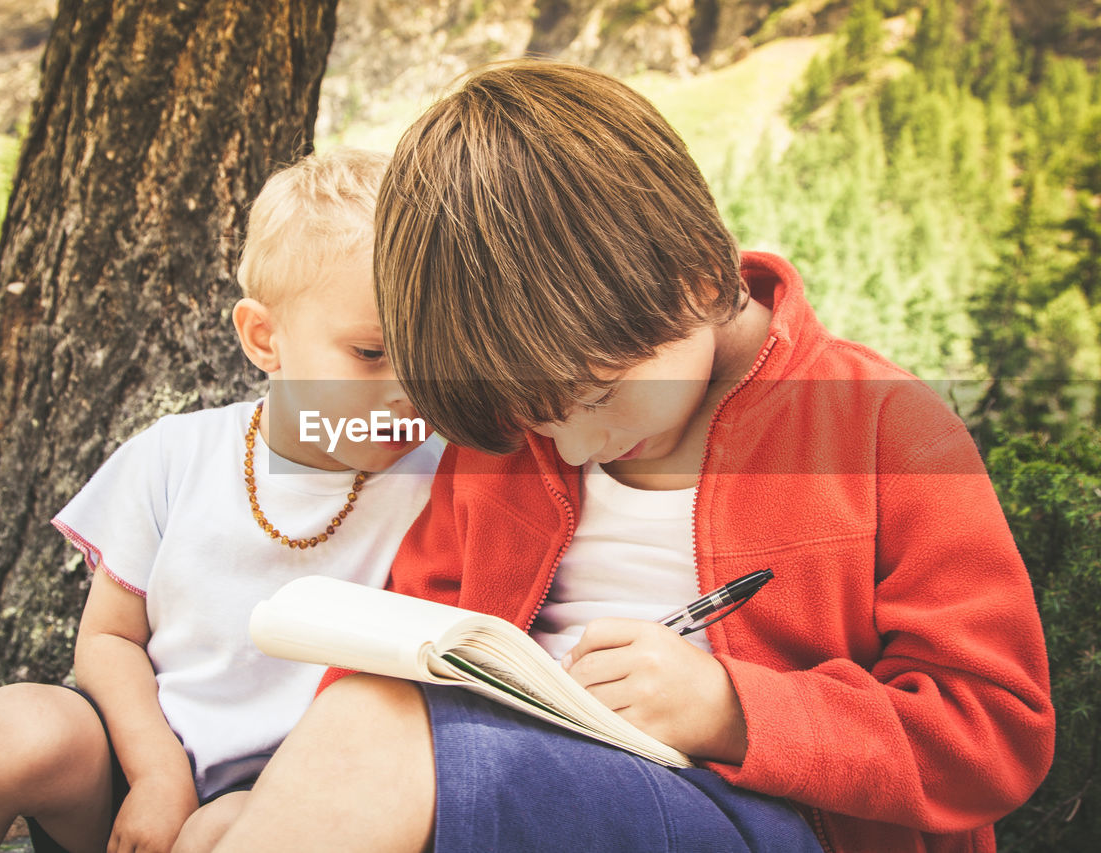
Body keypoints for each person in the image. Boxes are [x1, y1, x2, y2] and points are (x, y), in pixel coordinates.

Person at [209, 61, 1054, 853]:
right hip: (514, 779)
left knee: (364, 741)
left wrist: (732, 711)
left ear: (693, 278)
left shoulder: (878, 425)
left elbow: (997, 730)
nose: (573, 444)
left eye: (600, 395)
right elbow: (399, 634)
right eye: (534, 420)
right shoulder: (523, 428)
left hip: (767, 813)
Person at [0, 148, 442, 853]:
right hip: (138, 771)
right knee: (8, 728)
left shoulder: (445, 481)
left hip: (297, 799)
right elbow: (109, 639)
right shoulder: (177, 455)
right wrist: (156, 774)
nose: (408, 386)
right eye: (371, 352)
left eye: (431, 348)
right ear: (265, 337)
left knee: (219, 831)